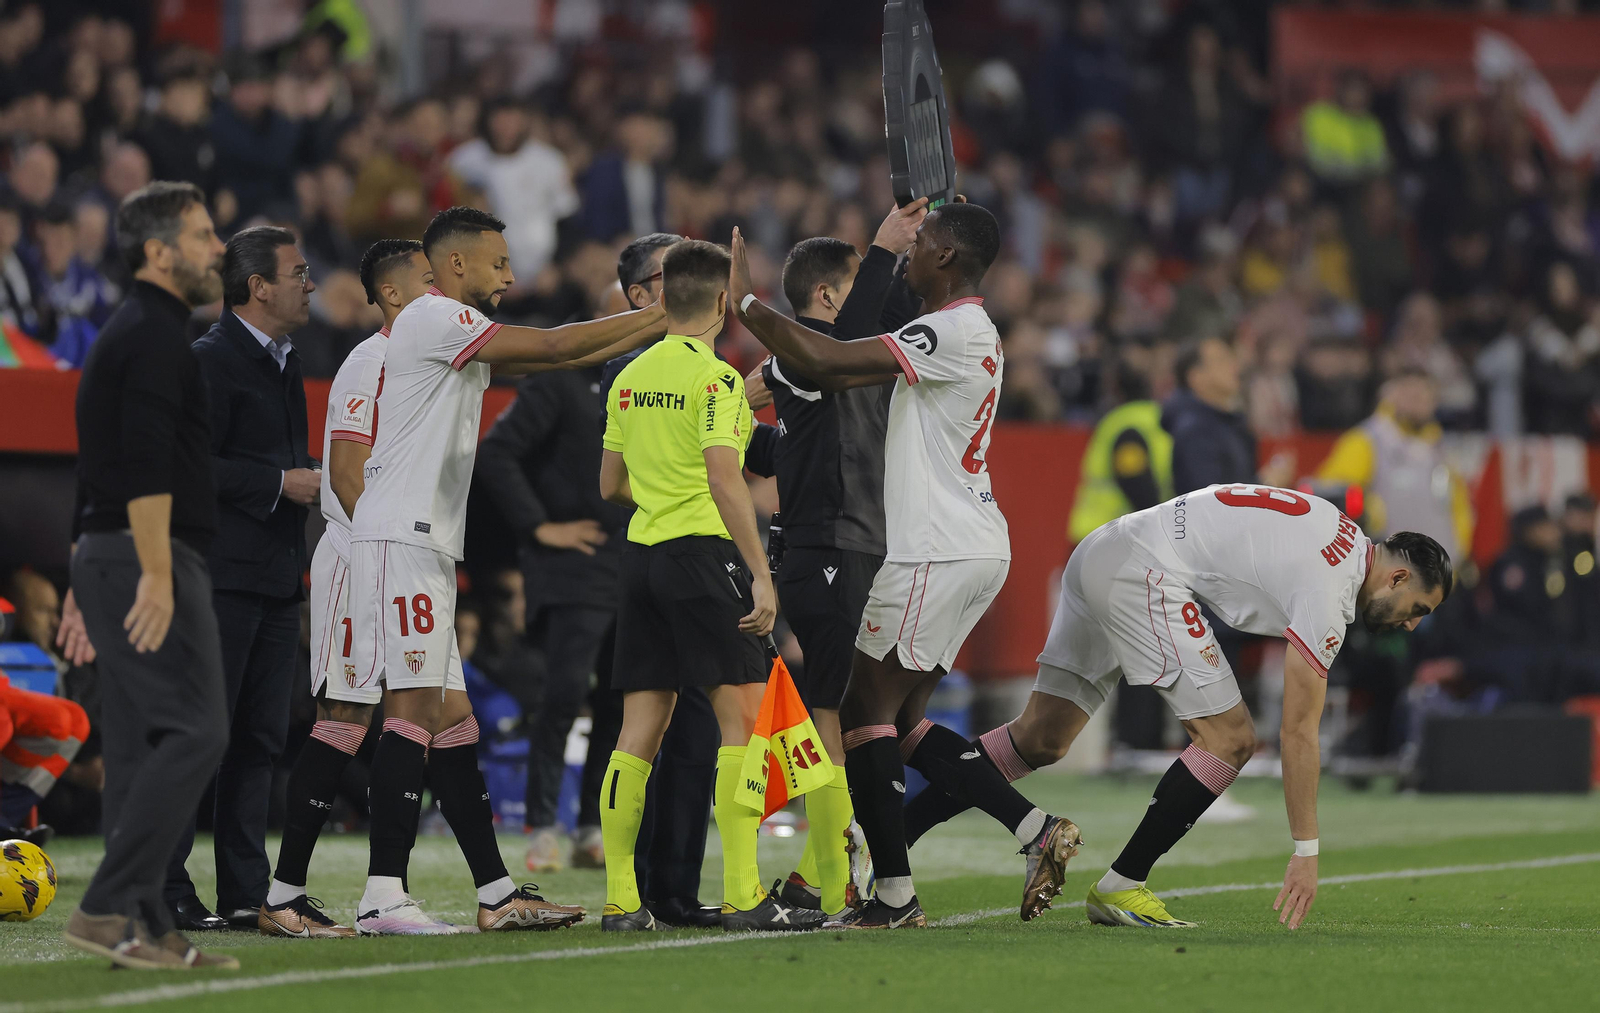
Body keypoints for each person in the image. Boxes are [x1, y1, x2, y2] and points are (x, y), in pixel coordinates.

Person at [731, 202, 1079, 929]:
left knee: (859, 707)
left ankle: (891, 893)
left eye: (919, 248)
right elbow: (843, 343)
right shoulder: (966, 329)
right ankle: (1031, 829)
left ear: (946, 256)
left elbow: (827, 359)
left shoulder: (947, 329)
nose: (906, 259)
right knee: (905, 719)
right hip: (971, 541)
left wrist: (746, 305)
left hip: (934, 545)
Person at [906, 485, 1451, 930]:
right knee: (1230, 739)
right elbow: (1299, 733)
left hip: (1104, 549)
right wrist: (1306, 851)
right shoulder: (1332, 590)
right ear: (1398, 576)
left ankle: (885, 836)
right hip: (1145, 572)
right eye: (1417, 609)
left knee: (1041, 738)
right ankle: (1123, 887)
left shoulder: (1339, 530)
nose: (1410, 624)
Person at [344, 206, 664, 935]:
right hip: (403, 539)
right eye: (498, 263)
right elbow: (553, 349)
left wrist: (652, 324)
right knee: (415, 711)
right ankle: (383, 895)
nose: (511, 276)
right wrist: (656, 319)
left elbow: (560, 352)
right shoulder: (433, 316)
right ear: (455, 265)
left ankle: (495, 891)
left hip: (421, 543)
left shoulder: (444, 331)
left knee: (454, 723)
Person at [596, 239, 821, 934]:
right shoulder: (718, 379)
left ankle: (619, 900)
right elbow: (729, 478)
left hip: (641, 558)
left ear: (664, 298)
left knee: (639, 729)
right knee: (744, 723)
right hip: (701, 557)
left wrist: (662, 496)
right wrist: (759, 572)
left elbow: (609, 485)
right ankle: (743, 891)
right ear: (724, 304)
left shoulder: (628, 378)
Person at [60, 180, 238, 970]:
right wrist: (159, 574)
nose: (219, 249)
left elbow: (94, 465)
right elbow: (141, 464)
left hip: (110, 551)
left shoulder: (130, 329)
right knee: (200, 728)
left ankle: (143, 922)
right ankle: (107, 906)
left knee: (136, 750)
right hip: (146, 553)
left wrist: (84, 571)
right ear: (159, 252)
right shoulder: (157, 336)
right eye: (203, 236)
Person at [258, 239, 433, 939]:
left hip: (400, 557)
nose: (442, 294)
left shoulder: (423, 362)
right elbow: (349, 474)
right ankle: (284, 894)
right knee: (349, 712)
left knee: (420, 708)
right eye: (428, 280)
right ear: (392, 294)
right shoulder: (372, 360)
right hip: (361, 557)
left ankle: (387, 891)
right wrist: (389, 555)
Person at [758, 200, 927, 918]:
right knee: (838, 713)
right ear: (827, 294)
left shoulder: (853, 358)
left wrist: (903, 262)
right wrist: (884, 250)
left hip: (862, 548)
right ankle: (837, 870)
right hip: (828, 549)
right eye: (856, 282)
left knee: (875, 717)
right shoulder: (799, 352)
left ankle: (828, 866)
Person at [158, 226, 321, 933]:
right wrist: (277, 481)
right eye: (298, 271)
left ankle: (244, 891)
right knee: (201, 734)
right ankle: (164, 884)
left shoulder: (286, 360)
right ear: (259, 286)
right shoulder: (208, 361)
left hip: (278, 579)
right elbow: (183, 467)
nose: (309, 282)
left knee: (259, 738)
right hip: (221, 577)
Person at [1316, 369, 1473, 565]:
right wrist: (1371, 517)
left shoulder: (1440, 448)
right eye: (1411, 394)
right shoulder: (1366, 441)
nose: (1419, 402)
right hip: (1387, 577)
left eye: (1426, 396)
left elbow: (1457, 507)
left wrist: (1456, 554)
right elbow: (1333, 497)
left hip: (1437, 577)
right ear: (1390, 395)